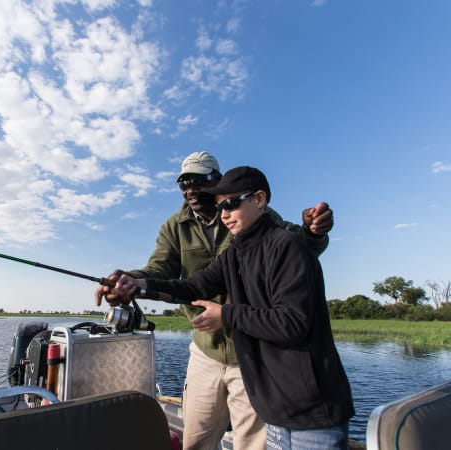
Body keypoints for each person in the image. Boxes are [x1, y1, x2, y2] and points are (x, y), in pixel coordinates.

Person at [95, 152, 334, 450]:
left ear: (219, 182)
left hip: (252, 351)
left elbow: (296, 247)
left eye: (199, 181)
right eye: (183, 183)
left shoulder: (256, 220)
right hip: (206, 350)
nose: (190, 190)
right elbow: (179, 278)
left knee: (252, 443)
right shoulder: (176, 226)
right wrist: (134, 282)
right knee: (195, 439)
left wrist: (314, 233)